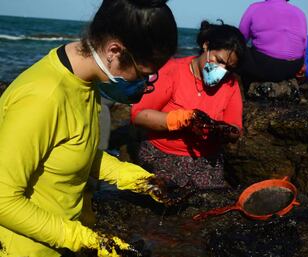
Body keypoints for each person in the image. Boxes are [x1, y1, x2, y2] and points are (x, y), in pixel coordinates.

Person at [0, 0, 177, 256]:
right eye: (143, 73)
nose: (147, 83)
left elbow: (72, 151)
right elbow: (3, 200)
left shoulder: (86, 81)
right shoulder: (43, 98)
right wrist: (85, 240)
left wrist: (139, 180)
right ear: (114, 51)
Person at [130, 21, 245, 192]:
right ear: (206, 46)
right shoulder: (172, 70)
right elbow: (138, 115)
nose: (221, 70)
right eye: (218, 60)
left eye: (228, 67)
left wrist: (224, 131)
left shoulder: (230, 84)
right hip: (162, 155)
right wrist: (182, 120)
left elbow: (235, 127)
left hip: (207, 162)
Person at [237, 0, 307, 92]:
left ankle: (245, 88)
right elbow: (304, 45)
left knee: (235, 50)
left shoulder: (255, 8)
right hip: (294, 66)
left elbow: (240, 39)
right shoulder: (300, 13)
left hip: (266, 65)